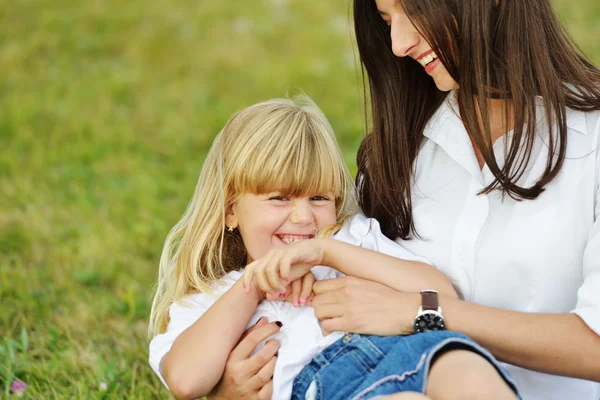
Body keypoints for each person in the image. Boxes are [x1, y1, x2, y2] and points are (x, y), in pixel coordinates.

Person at [209, 1, 600, 400]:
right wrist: (237, 384)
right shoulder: (397, 155)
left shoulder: (594, 140)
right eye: (386, 20)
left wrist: (422, 312)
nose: (398, 43)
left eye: (411, 10)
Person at [147, 96, 521, 400]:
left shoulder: (349, 239)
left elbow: (441, 293)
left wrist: (330, 254)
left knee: (469, 373)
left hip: (417, 350)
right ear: (231, 211)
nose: (302, 217)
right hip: (329, 386)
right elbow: (185, 380)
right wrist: (256, 283)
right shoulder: (211, 301)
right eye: (278, 198)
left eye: (318, 197)